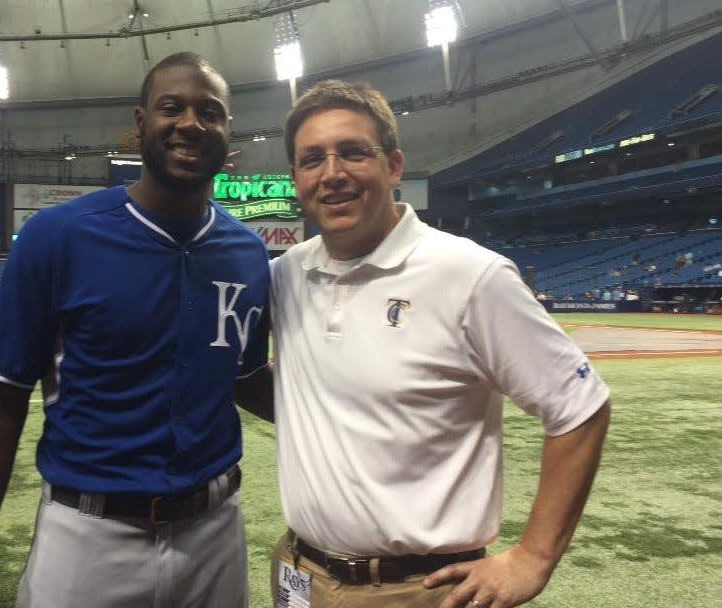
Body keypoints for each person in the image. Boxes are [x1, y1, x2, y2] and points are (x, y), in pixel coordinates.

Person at [260, 80, 611, 608]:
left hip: (416, 590)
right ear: (296, 179)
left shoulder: (470, 276)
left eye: (353, 152)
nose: (332, 174)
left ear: (394, 166)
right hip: (301, 575)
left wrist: (534, 556)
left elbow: (580, 407)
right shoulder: (286, 275)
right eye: (313, 160)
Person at [0, 52, 270, 608]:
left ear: (228, 134)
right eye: (172, 108)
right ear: (141, 124)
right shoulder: (58, 235)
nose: (191, 123)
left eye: (211, 112)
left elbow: (244, 378)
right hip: (89, 536)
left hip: (216, 532)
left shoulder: (248, 251)